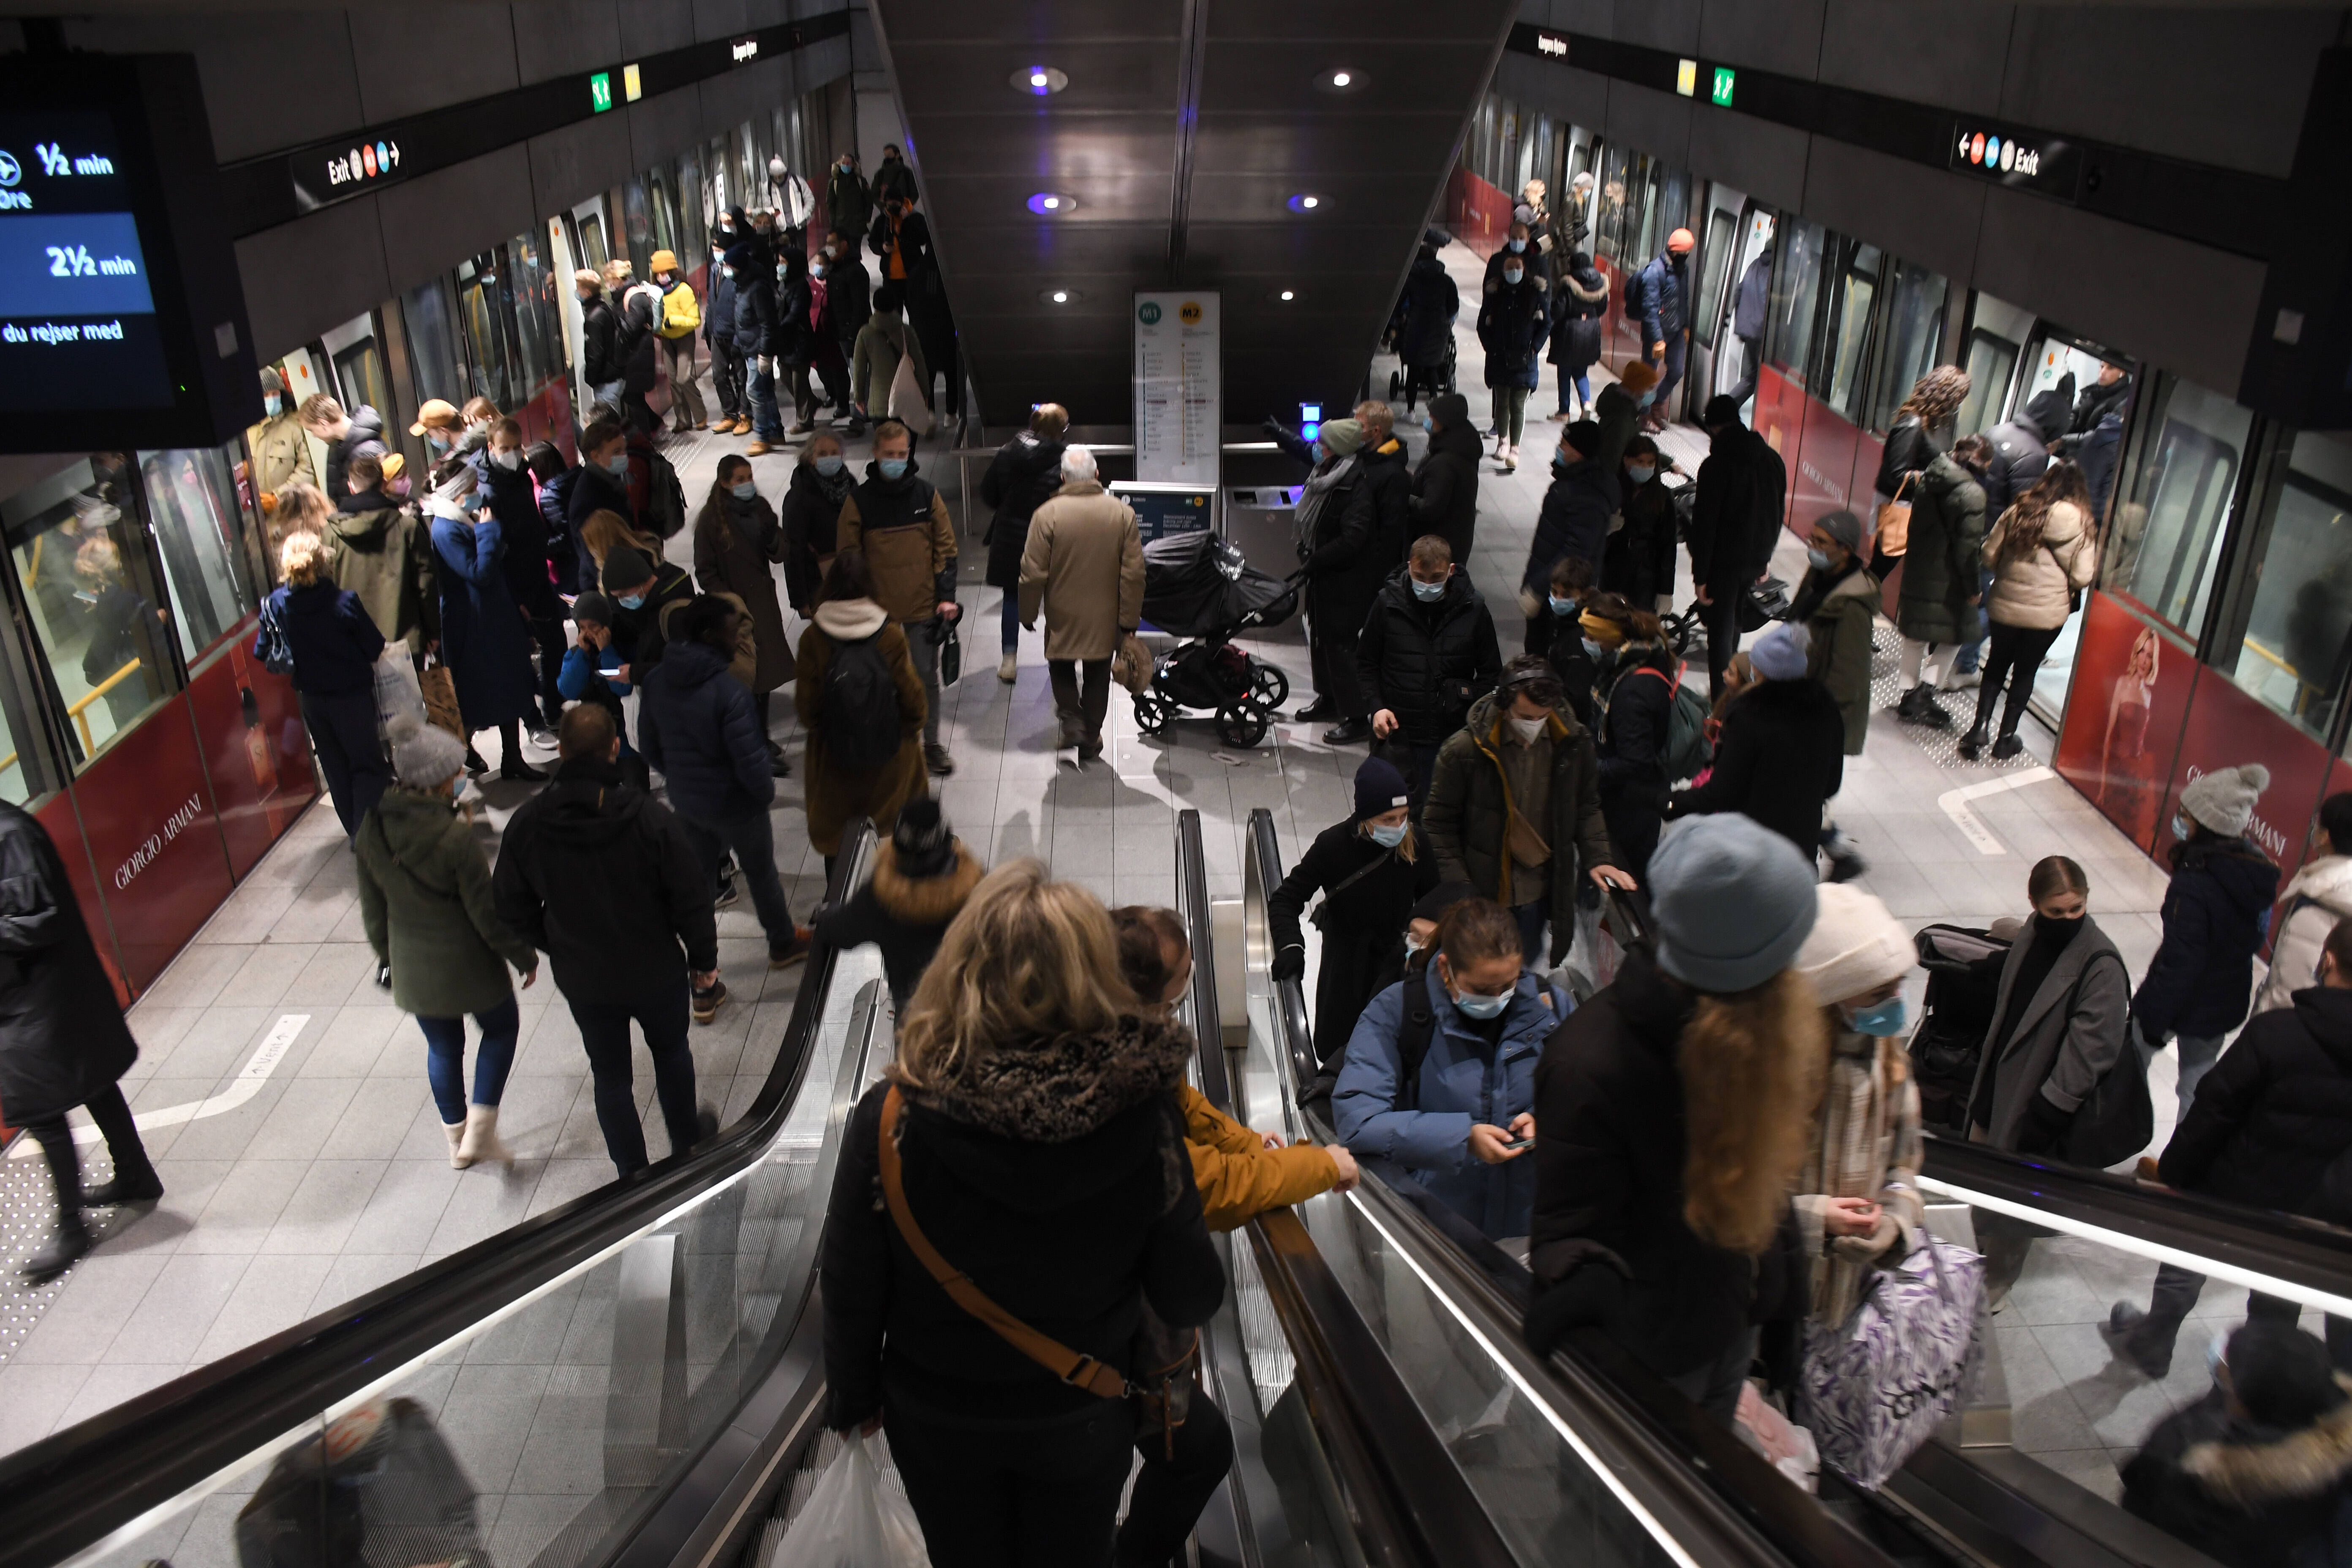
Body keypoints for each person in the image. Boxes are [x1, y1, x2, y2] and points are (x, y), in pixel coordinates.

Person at [820, 861, 1222, 1568]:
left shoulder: (890, 1119)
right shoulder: (1142, 1117)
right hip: (1077, 1411)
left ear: (961, 968)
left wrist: (855, 1394)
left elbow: (852, 1279)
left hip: (935, 1412)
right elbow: (1189, 1289)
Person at [1522, 814, 1825, 1422]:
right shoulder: (1591, 1064)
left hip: (1731, 1320)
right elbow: (1569, 1224)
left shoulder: (1745, 1037)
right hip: (1650, 1359)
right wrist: (1589, 1285)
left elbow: (1762, 1171)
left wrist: (1787, 1300)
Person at [1108, 905, 1353, 1565]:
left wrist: (1249, 1142)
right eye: (1183, 980)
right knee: (1190, 1453)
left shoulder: (1123, 1041)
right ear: (1146, 992)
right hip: (1107, 1336)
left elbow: (1183, 1108)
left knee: (1192, 1451)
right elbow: (1203, 1186)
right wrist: (1316, 1165)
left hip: (1118, 1328)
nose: (1189, 991)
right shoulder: (1108, 1078)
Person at [2110, 914, 2352, 1381]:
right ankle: (2254, 1383)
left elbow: (2214, 1111)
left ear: (2328, 959)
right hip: (2317, 1210)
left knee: (2189, 1260)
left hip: (2234, 1186)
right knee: (2279, 1297)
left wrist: (2177, 1173)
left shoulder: (2278, 1033)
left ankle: (2153, 1343)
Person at [493, 705, 722, 1174]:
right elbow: (691, 896)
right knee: (672, 1053)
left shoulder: (529, 824)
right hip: (655, 967)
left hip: (586, 977)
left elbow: (510, 906)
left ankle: (631, 1175)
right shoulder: (648, 819)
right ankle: (687, 1151)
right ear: (615, 748)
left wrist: (556, 940)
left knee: (611, 1076)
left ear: (561, 749)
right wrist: (703, 958)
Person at [357, 718, 540, 1171]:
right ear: (438, 779)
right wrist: (523, 955)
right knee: (500, 1029)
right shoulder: (456, 838)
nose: (461, 777)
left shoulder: (372, 829)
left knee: (443, 1048)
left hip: (413, 966)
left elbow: (373, 913)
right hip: (469, 963)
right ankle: (482, 1130)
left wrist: (389, 957)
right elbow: (485, 913)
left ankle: (456, 1142)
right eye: (456, 770)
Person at [1335, 896, 1567, 1242]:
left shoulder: (1550, 1006)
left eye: (1509, 984)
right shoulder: (1397, 1011)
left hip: (1531, 1227)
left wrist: (1544, 1119)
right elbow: (1358, 1122)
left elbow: (1582, 1095)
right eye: (1483, 989)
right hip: (1435, 1231)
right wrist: (1462, 1139)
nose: (1499, 998)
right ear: (1446, 970)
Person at [1, 798, 161, 1282]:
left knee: (42, 1108)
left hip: (38, 1000)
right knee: (89, 1081)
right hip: (43, 995)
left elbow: (37, 917)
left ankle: (71, 1226)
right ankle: (135, 1174)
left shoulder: (9, 836)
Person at [1965, 856, 2129, 1295]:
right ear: (2034, 903)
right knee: (1980, 1185)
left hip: (2037, 1106)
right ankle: (1969, 1259)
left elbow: (2092, 1051)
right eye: (2057, 911)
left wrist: (2049, 1110)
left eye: (2076, 909)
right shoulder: (2032, 936)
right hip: (1999, 1088)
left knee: (2014, 1205)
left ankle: (1996, 1279)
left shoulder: (2101, 965)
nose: (2068, 919)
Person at [638, 595, 813, 971]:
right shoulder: (729, 691)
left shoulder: (655, 681)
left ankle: (703, 970)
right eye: (732, 632)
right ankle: (782, 944)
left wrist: (681, 779)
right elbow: (751, 762)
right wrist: (764, 795)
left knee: (699, 884)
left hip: (688, 803)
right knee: (761, 874)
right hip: (737, 807)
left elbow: (649, 746)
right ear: (708, 635)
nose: (738, 639)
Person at [1424, 655, 1631, 967]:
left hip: (1538, 894)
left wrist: (1599, 857)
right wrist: (1460, 890)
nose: (1532, 726)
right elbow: (1437, 824)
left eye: (1542, 717)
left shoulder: (1573, 745)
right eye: (1524, 716)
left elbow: (1587, 805)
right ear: (1505, 704)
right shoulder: (1464, 751)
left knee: (1523, 965)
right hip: (1483, 894)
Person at [1791, 884, 1926, 1326]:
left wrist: (1895, 1220)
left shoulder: (1889, 1059)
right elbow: (1731, 1191)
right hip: (1776, 1302)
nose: (1895, 1004)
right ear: (1831, 995)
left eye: (1897, 986)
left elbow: (1904, 1165)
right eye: (1877, 992)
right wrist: (1812, 1220)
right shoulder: (1773, 1073)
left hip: (1849, 1303)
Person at [2121, 1318, 2352, 1568]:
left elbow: (2139, 1510)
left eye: (2228, 1361)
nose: (2222, 1360)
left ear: (2242, 1400)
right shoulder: (2334, 1454)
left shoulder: (2189, 1455)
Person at [1270, 757, 1442, 1063]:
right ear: (1364, 816)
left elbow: (1434, 902)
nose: (1400, 827)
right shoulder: (1333, 846)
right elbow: (1286, 899)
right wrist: (1291, 945)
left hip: (1395, 968)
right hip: (1345, 971)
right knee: (1340, 1050)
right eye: (1389, 819)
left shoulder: (1417, 843)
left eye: (1404, 817)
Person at [2130, 762, 2280, 1107]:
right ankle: (2181, 1160)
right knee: (2196, 1089)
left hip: (2181, 999)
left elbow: (2182, 961)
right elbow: (2254, 939)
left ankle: (2104, 1142)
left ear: (2207, 823)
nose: (2181, 819)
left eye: (2187, 814)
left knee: (2131, 1065)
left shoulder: (2195, 882)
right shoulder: (2257, 870)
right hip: (2223, 1001)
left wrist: (2154, 1018)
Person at [795, 550, 930, 875]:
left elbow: (807, 710)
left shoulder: (813, 638)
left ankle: (840, 908)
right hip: (890, 763)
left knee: (839, 846)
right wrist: (910, 729)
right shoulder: (890, 635)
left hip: (835, 764)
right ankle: (892, 902)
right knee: (893, 837)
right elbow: (914, 702)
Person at [836, 420, 959, 775]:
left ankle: (931, 744)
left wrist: (946, 596)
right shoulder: (859, 503)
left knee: (925, 677)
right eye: (889, 455)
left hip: (923, 609)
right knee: (879, 682)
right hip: (878, 614)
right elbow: (848, 558)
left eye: (902, 454)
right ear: (876, 454)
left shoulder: (926, 495)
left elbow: (946, 549)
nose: (896, 460)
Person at [1667, 621, 1843, 857]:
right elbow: (1832, 784)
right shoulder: (1826, 709)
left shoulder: (1750, 715)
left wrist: (1672, 803)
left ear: (1761, 671)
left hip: (1752, 847)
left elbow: (1722, 792)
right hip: (1800, 849)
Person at [1960, 459, 2099, 759]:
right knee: (2025, 672)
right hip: (2047, 614)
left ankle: (1979, 728)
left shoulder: (2020, 510)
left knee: (1997, 662)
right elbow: (2083, 576)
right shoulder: (2083, 523)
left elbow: (1989, 555)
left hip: (2005, 606)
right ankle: (2005, 739)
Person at [1358, 535, 1503, 808]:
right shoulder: (1387, 605)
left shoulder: (1474, 610)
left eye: (1436, 577)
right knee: (1395, 813)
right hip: (1397, 736)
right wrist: (1376, 707)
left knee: (1443, 815)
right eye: (1420, 576)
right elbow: (1367, 663)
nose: (1427, 585)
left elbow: (1491, 674)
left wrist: (1470, 710)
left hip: (1451, 737)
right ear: (1409, 566)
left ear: (1451, 571)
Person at [1019, 446, 1144, 762]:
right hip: (1105, 616)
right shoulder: (1121, 514)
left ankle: (1072, 718)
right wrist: (1129, 622)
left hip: (1063, 612)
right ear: (1097, 475)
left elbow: (1032, 573)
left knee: (1060, 667)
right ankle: (1090, 737)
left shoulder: (1046, 515)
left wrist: (1028, 611)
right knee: (1098, 675)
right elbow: (1133, 575)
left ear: (1063, 477)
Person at [423, 464, 546, 783]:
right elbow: (479, 572)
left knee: (510, 689)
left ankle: (512, 759)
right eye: (473, 489)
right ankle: (454, 760)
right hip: (475, 628)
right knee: (480, 696)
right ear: (459, 494)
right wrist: (488, 531)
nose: (479, 494)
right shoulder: (446, 529)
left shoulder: (462, 519)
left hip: (493, 620)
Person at [265, 531, 391, 837]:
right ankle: (365, 838)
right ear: (323, 561)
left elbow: (264, 650)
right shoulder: (344, 602)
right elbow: (374, 646)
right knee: (368, 765)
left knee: (336, 769)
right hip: (351, 698)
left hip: (312, 700)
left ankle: (354, 832)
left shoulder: (277, 604)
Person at [814, 799, 984, 1015]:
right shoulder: (976, 886)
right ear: (946, 842)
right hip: (972, 998)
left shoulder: (882, 900)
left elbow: (842, 931)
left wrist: (824, 916)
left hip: (916, 1004)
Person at [691, 455, 794, 771]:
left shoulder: (760, 509)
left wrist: (772, 539)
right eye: (739, 479)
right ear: (724, 483)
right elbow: (705, 572)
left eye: (749, 476)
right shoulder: (711, 521)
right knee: (744, 682)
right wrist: (732, 604)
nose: (747, 483)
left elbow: (780, 553)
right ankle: (752, 748)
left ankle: (761, 738)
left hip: (762, 604)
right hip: (736, 613)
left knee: (762, 678)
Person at [1688, 394, 1788, 697]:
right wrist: (1766, 557)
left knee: (1720, 628)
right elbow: (1777, 512)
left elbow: (1706, 525)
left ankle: (1722, 693)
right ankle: (1732, 679)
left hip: (1725, 562)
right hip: (1756, 557)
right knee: (1736, 619)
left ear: (1714, 427)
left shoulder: (1716, 465)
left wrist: (1701, 575)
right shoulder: (1772, 459)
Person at [1291, 417, 1383, 739]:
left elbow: (1353, 538)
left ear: (1338, 449)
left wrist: (1316, 558)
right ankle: (1329, 699)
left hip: (1345, 581)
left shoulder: (1355, 486)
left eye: (1324, 443)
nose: (1318, 448)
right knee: (1321, 641)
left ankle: (1357, 718)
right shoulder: (1328, 473)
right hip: (1324, 575)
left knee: (1341, 647)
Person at [1894, 432, 1991, 729]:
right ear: (1982, 463)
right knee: (1955, 637)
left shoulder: (1930, 478)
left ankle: (1908, 696)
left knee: (1915, 637)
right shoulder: (1972, 494)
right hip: (1948, 579)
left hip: (1920, 568)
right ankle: (1925, 694)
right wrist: (1973, 588)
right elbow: (1967, 550)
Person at [474, 419, 565, 734]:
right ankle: (536, 717)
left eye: (516, 447)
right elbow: (497, 551)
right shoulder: (488, 490)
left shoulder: (521, 476)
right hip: (516, 586)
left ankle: (551, 707)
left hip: (538, 575)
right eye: (504, 449)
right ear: (491, 449)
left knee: (555, 646)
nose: (512, 454)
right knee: (525, 655)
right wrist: (516, 599)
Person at [1585, 595, 1677, 882]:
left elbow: (1635, 761)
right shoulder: (1646, 653)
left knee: (1629, 874)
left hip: (1630, 804)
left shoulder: (1631, 692)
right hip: (1641, 795)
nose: (1585, 641)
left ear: (1610, 639)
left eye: (1591, 636)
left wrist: (1590, 769)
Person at [977, 404, 1071, 683]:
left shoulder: (1008, 452)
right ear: (1062, 431)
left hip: (1010, 534)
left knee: (1012, 595)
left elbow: (988, 492)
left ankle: (1009, 659)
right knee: (1056, 597)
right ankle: (1058, 657)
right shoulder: (1065, 460)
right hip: (1049, 537)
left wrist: (1006, 508)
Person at [321, 453, 439, 656]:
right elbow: (425, 584)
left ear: (351, 487)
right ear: (384, 484)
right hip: (407, 641)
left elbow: (327, 590)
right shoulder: (407, 527)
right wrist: (433, 631)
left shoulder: (331, 534)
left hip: (357, 645)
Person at [1788, 509, 1878, 753]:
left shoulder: (1852, 608)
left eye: (1822, 542)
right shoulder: (1820, 574)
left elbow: (1846, 680)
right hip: (1798, 693)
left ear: (1846, 550)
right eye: (1812, 539)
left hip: (1818, 715)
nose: (1813, 548)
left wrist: (1813, 718)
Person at [1872, 365, 1971, 583]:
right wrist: (1936, 475)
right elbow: (1896, 473)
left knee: (1882, 569)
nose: (1957, 406)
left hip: (1912, 506)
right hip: (1897, 506)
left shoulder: (1931, 423)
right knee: (1879, 569)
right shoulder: (1913, 423)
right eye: (1958, 399)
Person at [2257, 793, 2352, 1015]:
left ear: (2326, 836)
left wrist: (2262, 1025)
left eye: (2317, 823)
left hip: (2282, 1030)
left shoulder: (2321, 900)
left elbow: (2291, 991)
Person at [1523, 420, 1617, 604]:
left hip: (1563, 592)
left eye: (1564, 444)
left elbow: (1576, 552)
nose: (1559, 448)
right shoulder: (1571, 482)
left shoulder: (1588, 496)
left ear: (1578, 452)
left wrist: (1539, 589)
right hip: (1552, 581)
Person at [1477, 243, 1549, 471]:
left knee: (1517, 403)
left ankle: (1515, 448)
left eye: (1517, 268)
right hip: (1499, 355)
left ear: (1524, 269)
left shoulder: (1535, 293)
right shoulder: (1495, 292)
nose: (1514, 273)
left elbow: (1547, 323)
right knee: (1502, 401)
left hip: (1524, 358)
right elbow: (1482, 323)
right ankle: (1503, 441)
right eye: (1509, 269)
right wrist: (1489, 345)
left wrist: (1535, 347)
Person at [724, 234, 785, 455]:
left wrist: (765, 353)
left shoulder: (756, 288)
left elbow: (768, 323)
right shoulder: (742, 284)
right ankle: (776, 431)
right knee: (766, 391)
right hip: (750, 347)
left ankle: (762, 436)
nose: (725, 269)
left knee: (754, 391)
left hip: (758, 349)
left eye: (728, 265)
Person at [781, 431, 853, 617]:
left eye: (834, 452)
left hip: (851, 576)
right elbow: (793, 552)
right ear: (810, 458)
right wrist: (801, 601)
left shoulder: (851, 484)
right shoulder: (799, 497)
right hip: (820, 583)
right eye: (822, 454)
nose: (829, 458)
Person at [1603, 435, 1677, 612]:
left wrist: (1665, 591)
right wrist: (1605, 528)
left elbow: (1668, 546)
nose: (1645, 468)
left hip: (1646, 575)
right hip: (1614, 569)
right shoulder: (1613, 489)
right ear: (1626, 461)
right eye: (1640, 462)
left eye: (1650, 463)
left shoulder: (1662, 497)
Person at [1525, 555, 1601, 724]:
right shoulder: (1556, 619)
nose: (1558, 599)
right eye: (1554, 592)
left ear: (1585, 594)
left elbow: (1578, 698)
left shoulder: (1585, 637)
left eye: (1566, 595)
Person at [1633, 227, 1696, 429]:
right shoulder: (1654, 272)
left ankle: (1655, 405)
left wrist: (1685, 326)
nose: (1685, 258)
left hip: (1676, 330)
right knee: (1648, 376)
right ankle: (1642, 416)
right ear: (1674, 251)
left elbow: (1684, 299)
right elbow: (1649, 308)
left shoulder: (1682, 270)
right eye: (1683, 254)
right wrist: (1658, 338)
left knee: (1676, 371)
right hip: (1656, 332)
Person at [1408, 391, 1481, 564]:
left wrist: (1406, 495)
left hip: (1439, 544)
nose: (1428, 421)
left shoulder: (1444, 462)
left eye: (1432, 418)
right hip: (1457, 534)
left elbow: (1430, 508)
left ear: (1444, 422)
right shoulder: (1463, 444)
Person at [850, 285, 929, 436]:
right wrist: (925, 393)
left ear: (875, 306)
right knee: (906, 447)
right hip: (906, 401)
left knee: (886, 448)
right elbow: (920, 365)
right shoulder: (906, 331)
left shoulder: (865, 333)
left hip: (880, 405)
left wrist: (859, 397)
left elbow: (859, 370)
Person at [647, 249, 708, 435]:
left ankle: (700, 416)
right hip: (666, 339)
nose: (661, 277)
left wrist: (672, 321)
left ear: (673, 272)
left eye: (664, 273)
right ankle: (683, 420)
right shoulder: (656, 293)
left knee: (684, 378)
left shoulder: (684, 290)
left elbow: (695, 320)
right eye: (657, 274)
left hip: (684, 338)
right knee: (673, 381)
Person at [1396, 244, 1459, 412]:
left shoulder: (1411, 280)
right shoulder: (1446, 280)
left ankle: (1411, 411)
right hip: (1438, 329)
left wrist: (1401, 318)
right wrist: (1445, 319)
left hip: (1416, 328)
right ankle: (1434, 406)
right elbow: (1454, 307)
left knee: (1414, 370)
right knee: (1432, 367)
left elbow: (1398, 303)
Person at [1548, 250, 1609, 421]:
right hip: (1591, 331)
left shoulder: (1568, 285)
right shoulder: (1600, 284)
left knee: (1565, 372)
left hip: (1569, 331)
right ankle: (1586, 404)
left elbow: (1558, 311)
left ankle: (1564, 411)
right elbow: (1602, 309)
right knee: (1581, 371)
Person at [603, 258, 662, 434]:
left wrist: (612, 326)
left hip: (637, 356)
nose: (607, 285)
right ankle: (654, 425)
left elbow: (631, 328)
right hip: (636, 354)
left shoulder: (634, 297)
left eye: (609, 280)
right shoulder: (626, 295)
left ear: (618, 279)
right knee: (633, 397)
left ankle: (646, 437)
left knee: (634, 398)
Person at [822, 229, 873, 430]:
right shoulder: (835, 269)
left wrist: (853, 334)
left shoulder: (855, 271)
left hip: (853, 333)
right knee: (851, 372)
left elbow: (860, 307)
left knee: (859, 373)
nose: (829, 247)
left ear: (844, 245)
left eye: (832, 243)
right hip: (840, 332)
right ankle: (856, 408)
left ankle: (861, 414)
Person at [299, 394, 389, 502]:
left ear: (323, 423)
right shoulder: (336, 444)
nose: (314, 435)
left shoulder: (367, 451)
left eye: (312, 430)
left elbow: (377, 504)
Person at [567, 419, 642, 543]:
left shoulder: (613, 477)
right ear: (595, 456)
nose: (624, 455)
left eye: (624, 449)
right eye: (617, 452)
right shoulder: (588, 497)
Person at [704, 242, 745, 435]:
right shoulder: (714, 270)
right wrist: (709, 328)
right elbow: (712, 300)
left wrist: (740, 334)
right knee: (719, 375)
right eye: (715, 251)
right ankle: (730, 414)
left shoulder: (740, 272)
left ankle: (746, 415)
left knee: (741, 377)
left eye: (720, 250)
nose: (717, 254)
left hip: (735, 333)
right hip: (717, 332)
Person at [1724, 246, 1772, 408]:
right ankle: (1725, 408)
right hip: (1761, 332)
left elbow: (1739, 292)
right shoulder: (1777, 270)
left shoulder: (1755, 264)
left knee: (1754, 374)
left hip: (1749, 329)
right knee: (1757, 376)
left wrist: (1741, 322)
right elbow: (1773, 301)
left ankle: (1725, 407)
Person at [1592, 357, 1656, 481]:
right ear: (1638, 388)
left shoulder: (1622, 404)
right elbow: (1613, 460)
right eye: (1650, 388)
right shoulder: (1623, 419)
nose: (1653, 393)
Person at [574, 269, 625, 418]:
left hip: (607, 382)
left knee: (607, 427)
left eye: (579, 289)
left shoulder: (593, 319)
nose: (576, 292)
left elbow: (595, 353)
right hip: (616, 376)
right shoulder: (605, 307)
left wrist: (590, 378)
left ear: (587, 293)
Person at [826, 151, 871, 245]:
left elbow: (868, 200)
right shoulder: (834, 182)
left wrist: (867, 217)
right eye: (843, 163)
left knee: (856, 251)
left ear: (854, 165)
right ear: (839, 164)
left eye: (848, 163)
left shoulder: (860, 181)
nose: (846, 166)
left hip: (858, 224)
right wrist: (833, 223)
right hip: (841, 225)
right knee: (843, 251)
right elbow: (831, 204)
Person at [870, 142, 917, 211]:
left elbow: (914, 194)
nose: (887, 158)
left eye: (889, 155)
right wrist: (883, 207)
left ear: (897, 155)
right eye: (886, 155)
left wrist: (906, 207)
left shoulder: (907, 172)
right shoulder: (880, 174)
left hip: (904, 212)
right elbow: (874, 194)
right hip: (887, 213)